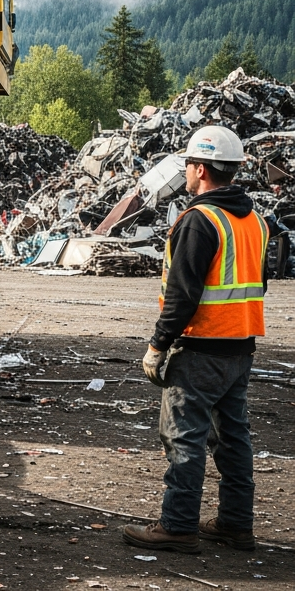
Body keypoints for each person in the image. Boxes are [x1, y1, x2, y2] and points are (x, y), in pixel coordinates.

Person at [123, 126, 274, 554]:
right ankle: (234, 524)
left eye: (188, 163)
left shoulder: (199, 220)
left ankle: (178, 526)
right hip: (240, 347)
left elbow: (183, 295)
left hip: (202, 348)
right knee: (233, 439)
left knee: (184, 438)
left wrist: (158, 345)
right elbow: (257, 283)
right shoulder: (255, 222)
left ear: (202, 169)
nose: (185, 171)